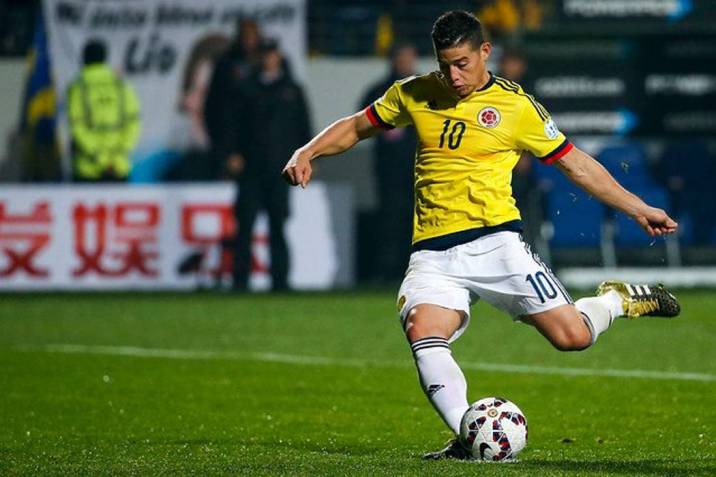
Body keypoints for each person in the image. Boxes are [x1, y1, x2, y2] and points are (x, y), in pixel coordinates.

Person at [282, 10, 681, 459]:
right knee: (423, 333)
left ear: (485, 51)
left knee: (573, 337)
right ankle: (469, 438)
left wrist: (638, 208)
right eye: (445, 65)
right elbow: (357, 126)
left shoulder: (516, 107)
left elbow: (577, 165)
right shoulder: (414, 93)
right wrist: (308, 151)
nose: (454, 76)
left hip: (497, 244)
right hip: (433, 254)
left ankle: (616, 300)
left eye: (463, 64)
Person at [231, 39, 312, 291]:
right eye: (265, 54)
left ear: (278, 56)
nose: (269, 58)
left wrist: (309, 156)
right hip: (251, 167)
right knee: (245, 225)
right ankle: (240, 281)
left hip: (281, 168)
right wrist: (232, 153)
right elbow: (233, 124)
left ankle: (280, 282)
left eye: (272, 53)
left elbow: (303, 126)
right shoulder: (245, 88)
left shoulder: (292, 90)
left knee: (278, 225)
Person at [359, 42, 419, 281]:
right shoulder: (379, 92)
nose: (405, 62)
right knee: (389, 221)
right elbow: (361, 123)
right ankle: (387, 271)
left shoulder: (424, 91)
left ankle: (415, 270)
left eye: (409, 57)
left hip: (420, 169)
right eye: (402, 57)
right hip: (388, 170)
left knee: (417, 221)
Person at [67, 39, 140, 182]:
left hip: (87, 170)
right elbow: (133, 124)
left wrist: (101, 158)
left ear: (84, 59)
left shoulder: (78, 88)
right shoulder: (122, 85)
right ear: (105, 58)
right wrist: (117, 157)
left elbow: (77, 127)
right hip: (119, 167)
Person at [204, 18, 261, 175]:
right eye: (246, 36)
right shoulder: (226, 64)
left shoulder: (269, 61)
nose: (249, 40)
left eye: (252, 36)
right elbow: (215, 108)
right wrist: (227, 151)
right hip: (236, 147)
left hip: (266, 148)